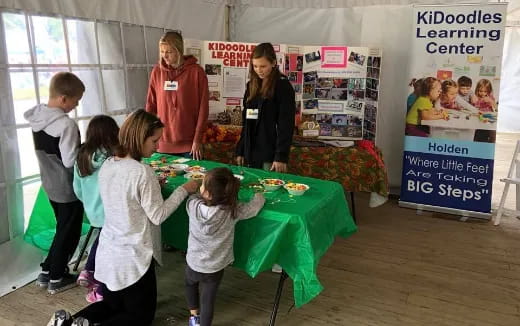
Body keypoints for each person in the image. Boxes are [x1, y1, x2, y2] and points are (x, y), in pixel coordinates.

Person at [47, 110, 200, 326]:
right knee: (139, 317)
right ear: (140, 137)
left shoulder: (109, 163)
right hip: (134, 255)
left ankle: (71, 322)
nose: (157, 146)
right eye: (154, 140)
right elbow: (158, 215)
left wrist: (154, 189)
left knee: (111, 305)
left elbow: (127, 195)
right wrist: (184, 189)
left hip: (109, 250)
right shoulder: (142, 171)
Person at [24, 72, 85, 295]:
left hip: (49, 183)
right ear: (63, 98)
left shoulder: (37, 118)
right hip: (66, 187)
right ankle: (58, 276)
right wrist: (85, 150)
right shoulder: (66, 125)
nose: (76, 105)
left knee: (62, 228)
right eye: (76, 100)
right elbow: (70, 160)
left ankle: (48, 270)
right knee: (68, 232)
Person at [184, 167, 265, 326]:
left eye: (203, 185)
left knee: (189, 284)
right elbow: (254, 209)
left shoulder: (192, 206)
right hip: (216, 266)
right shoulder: (232, 211)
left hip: (194, 263)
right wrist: (259, 195)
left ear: (206, 193)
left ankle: (194, 318)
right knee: (208, 300)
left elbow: (192, 197)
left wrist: (194, 190)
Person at [73, 115, 120, 303]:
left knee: (102, 240)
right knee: (109, 248)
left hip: (92, 211)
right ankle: (98, 280)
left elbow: (77, 189)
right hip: (111, 213)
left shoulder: (82, 156)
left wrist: (89, 202)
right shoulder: (112, 159)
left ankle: (88, 270)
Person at [145, 31, 209, 160]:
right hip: (162, 143)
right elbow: (150, 106)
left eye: (169, 52)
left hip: (189, 145)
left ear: (179, 50)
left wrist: (197, 139)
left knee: (191, 178)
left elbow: (203, 108)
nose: (165, 56)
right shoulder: (157, 72)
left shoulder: (196, 72)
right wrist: (147, 135)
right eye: (162, 51)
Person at [236, 42, 296, 173]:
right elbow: (247, 122)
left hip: (270, 154)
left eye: (263, 66)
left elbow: (286, 125)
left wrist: (281, 156)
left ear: (273, 63)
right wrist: (241, 149)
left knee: (269, 190)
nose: (259, 70)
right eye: (255, 66)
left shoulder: (283, 86)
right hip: (250, 152)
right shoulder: (251, 85)